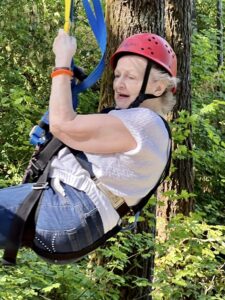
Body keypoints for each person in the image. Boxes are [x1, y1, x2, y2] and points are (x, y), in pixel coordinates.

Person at [0, 30, 178, 261]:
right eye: (117, 75)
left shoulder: (144, 122)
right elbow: (69, 131)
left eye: (130, 77)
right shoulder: (141, 129)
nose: (118, 84)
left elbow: (62, 124)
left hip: (69, 209)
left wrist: (62, 62)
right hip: (76, 218)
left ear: (158, 87)